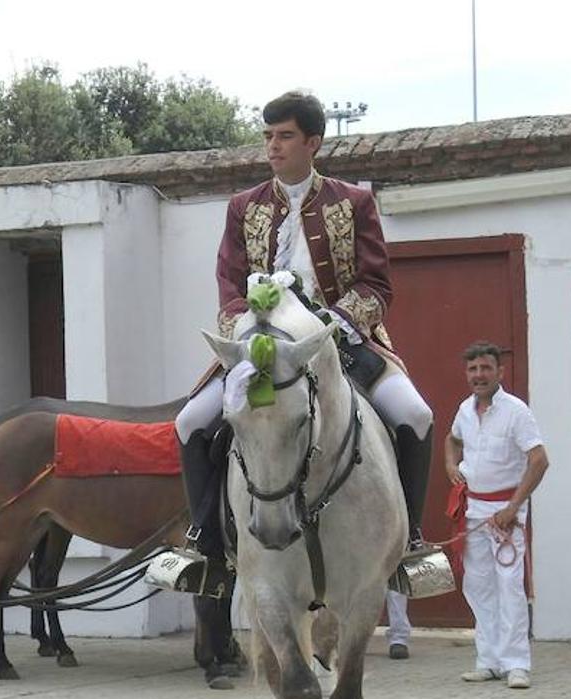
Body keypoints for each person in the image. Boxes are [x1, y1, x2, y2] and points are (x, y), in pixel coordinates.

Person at [175, 89, 434, 591]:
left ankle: (410, 545)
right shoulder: (242, 207)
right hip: (259, 349)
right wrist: (245, 334)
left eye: (285, 136)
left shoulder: (354, 202)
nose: (273, 146)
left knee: (417, 416)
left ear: (313, 142)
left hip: (345, 343)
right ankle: (203, 545)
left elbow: (376, 285)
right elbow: (230, 286)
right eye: (269, 136)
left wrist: (330, 326)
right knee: (190, 422)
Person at [445, 341, 549, 689]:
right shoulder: (464, 410)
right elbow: (451, 439)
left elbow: (539, 460)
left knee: (509, 587)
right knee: (479, 587)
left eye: (486, 368)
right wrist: (450, 466)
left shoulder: (516, 411)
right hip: (474, 512)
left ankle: (516, 663)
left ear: (499, 372)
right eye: (473, 369)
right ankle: (488, 659)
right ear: (466, 374)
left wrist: (513, 507)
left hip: (507, 515)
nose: (479, 375)